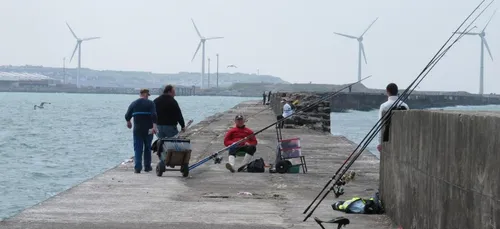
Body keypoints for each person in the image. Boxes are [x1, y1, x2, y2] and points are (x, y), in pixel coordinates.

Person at [125, 88, 158, 173]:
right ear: (146, 94)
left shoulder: (134, 103)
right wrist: (154, 127)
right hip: (148, 129)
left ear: (140, 94)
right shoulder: (151, 103)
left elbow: (127, 115)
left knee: (138, 148)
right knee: (147, 147)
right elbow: (154, 115)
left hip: (137, 129)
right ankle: (147, 166)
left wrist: (128, 122)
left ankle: (138, 167)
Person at [377, 83, 409, 152]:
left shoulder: (384, 106)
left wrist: (380, 142)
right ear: (397, 92)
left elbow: (381, 125)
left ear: (387, 91)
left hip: (387, 139)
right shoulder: (405, 106)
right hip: (403, 139)